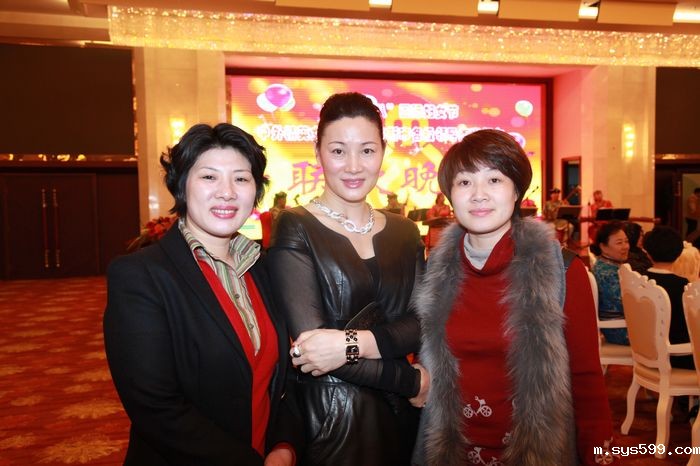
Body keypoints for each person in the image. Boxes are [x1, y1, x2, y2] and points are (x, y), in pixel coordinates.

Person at [413, 129, 617, 465]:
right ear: (450, 195)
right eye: (464, 182)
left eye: (494, 180)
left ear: (516, 191)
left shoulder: (562, 271)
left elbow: (586, 380)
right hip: (450, 451)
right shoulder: (433, 271)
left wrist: (601, 455)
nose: (479, 195)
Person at [103, 123, 303, 466]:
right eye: (209, 177)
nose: (227, 192)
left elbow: (284, 379)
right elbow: (156, 407)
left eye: (241, 179)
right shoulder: (140, 276)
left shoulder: (264, 267)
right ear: (182, 185)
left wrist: (284, 446)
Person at [267, 92, 426, 465]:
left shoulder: (405, 231)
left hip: (403, 418)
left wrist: (352, 343)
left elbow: (422, 322)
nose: (354, 166)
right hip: (335, 419)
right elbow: (313, 349)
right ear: (318, 152)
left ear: (383, 152)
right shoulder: (296, 225)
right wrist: (412, 381)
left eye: (367, 151)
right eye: (338, 151)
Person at [644, 226, 695, 370]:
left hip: (648, 351)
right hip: (677, 356)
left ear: (648, 253)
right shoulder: (682, 285)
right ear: (679, 254)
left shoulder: (640, 281)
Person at [590, 221, 630, 345]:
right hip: (619, 330)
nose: (625, 246)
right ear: (603, 247)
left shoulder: (607, 265)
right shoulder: (606, 273)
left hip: (623, 325)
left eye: (626, 241)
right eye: (619, 243)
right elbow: (626, 305)